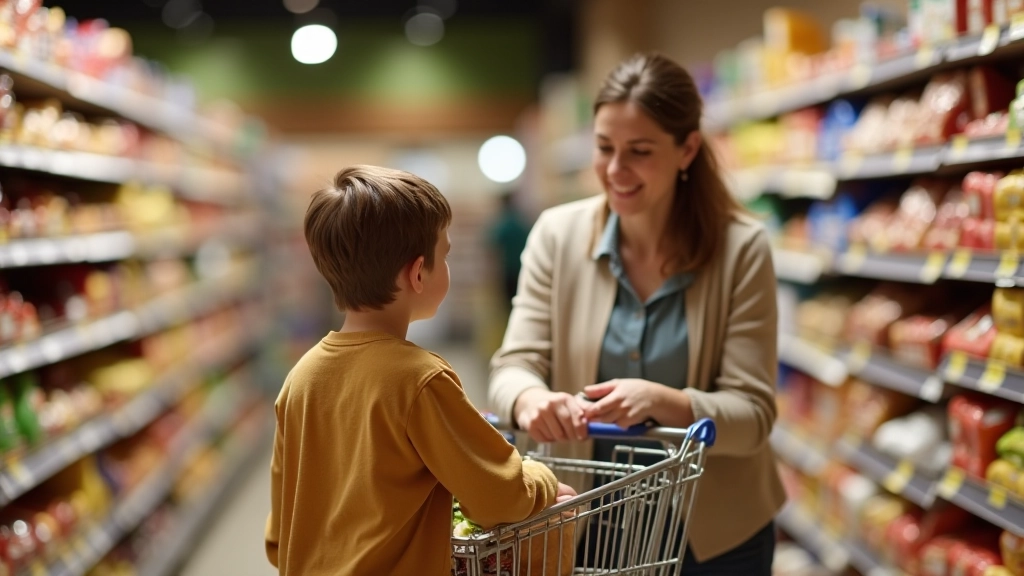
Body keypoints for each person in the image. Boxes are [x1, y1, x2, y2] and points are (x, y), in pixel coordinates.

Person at [488, 53, 785, 574]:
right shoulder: (556, 237)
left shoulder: (742, 249)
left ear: (687, 148)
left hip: (715, 537)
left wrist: (662, 401)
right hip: (583, 524)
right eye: (604, 148)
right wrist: (531, 398)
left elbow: (753, 416)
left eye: (640, 151)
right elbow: (511, 368)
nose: (616, 170)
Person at [265, 165, 575, 575]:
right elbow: (499, 494)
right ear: (417, 273)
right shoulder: (420, 379)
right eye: (443, 254)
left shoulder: (301, 378)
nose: (445, 265)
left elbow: (279, 536)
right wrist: (542, 479)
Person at [488, 190, 531, 308]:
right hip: (523, 268)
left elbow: (492, 249)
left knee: (509, 304)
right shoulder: (522, 222)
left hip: (508, 270)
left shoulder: (503, 225)